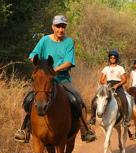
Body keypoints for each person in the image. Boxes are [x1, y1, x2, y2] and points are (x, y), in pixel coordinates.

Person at [14, 15, 96, 143]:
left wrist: (54, 70)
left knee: (77, 99)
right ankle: (23, 130)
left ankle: (86, 131)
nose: (60, 29)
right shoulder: (44, 40)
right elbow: (33, 54)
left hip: (63, 79)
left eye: (63, 26)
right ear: (53, 27)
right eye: (58, 26)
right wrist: (37, 62)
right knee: (27, 98)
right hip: (44, 81)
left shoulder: (69, 42)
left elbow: (68, 62)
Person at [89, 50, 129, 127]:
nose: (112, 59)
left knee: (124, 100)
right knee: (94, 100)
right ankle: (93, 117)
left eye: (114, 58)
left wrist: (117, 85)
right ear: (109, 59)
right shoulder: (106, 68)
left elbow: (124, 80)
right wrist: (106, 85)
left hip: (118, 86)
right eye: (111, 58)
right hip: (108, 86)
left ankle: (125, 120)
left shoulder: (120, 68)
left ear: (116, 59)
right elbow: (101, 80)